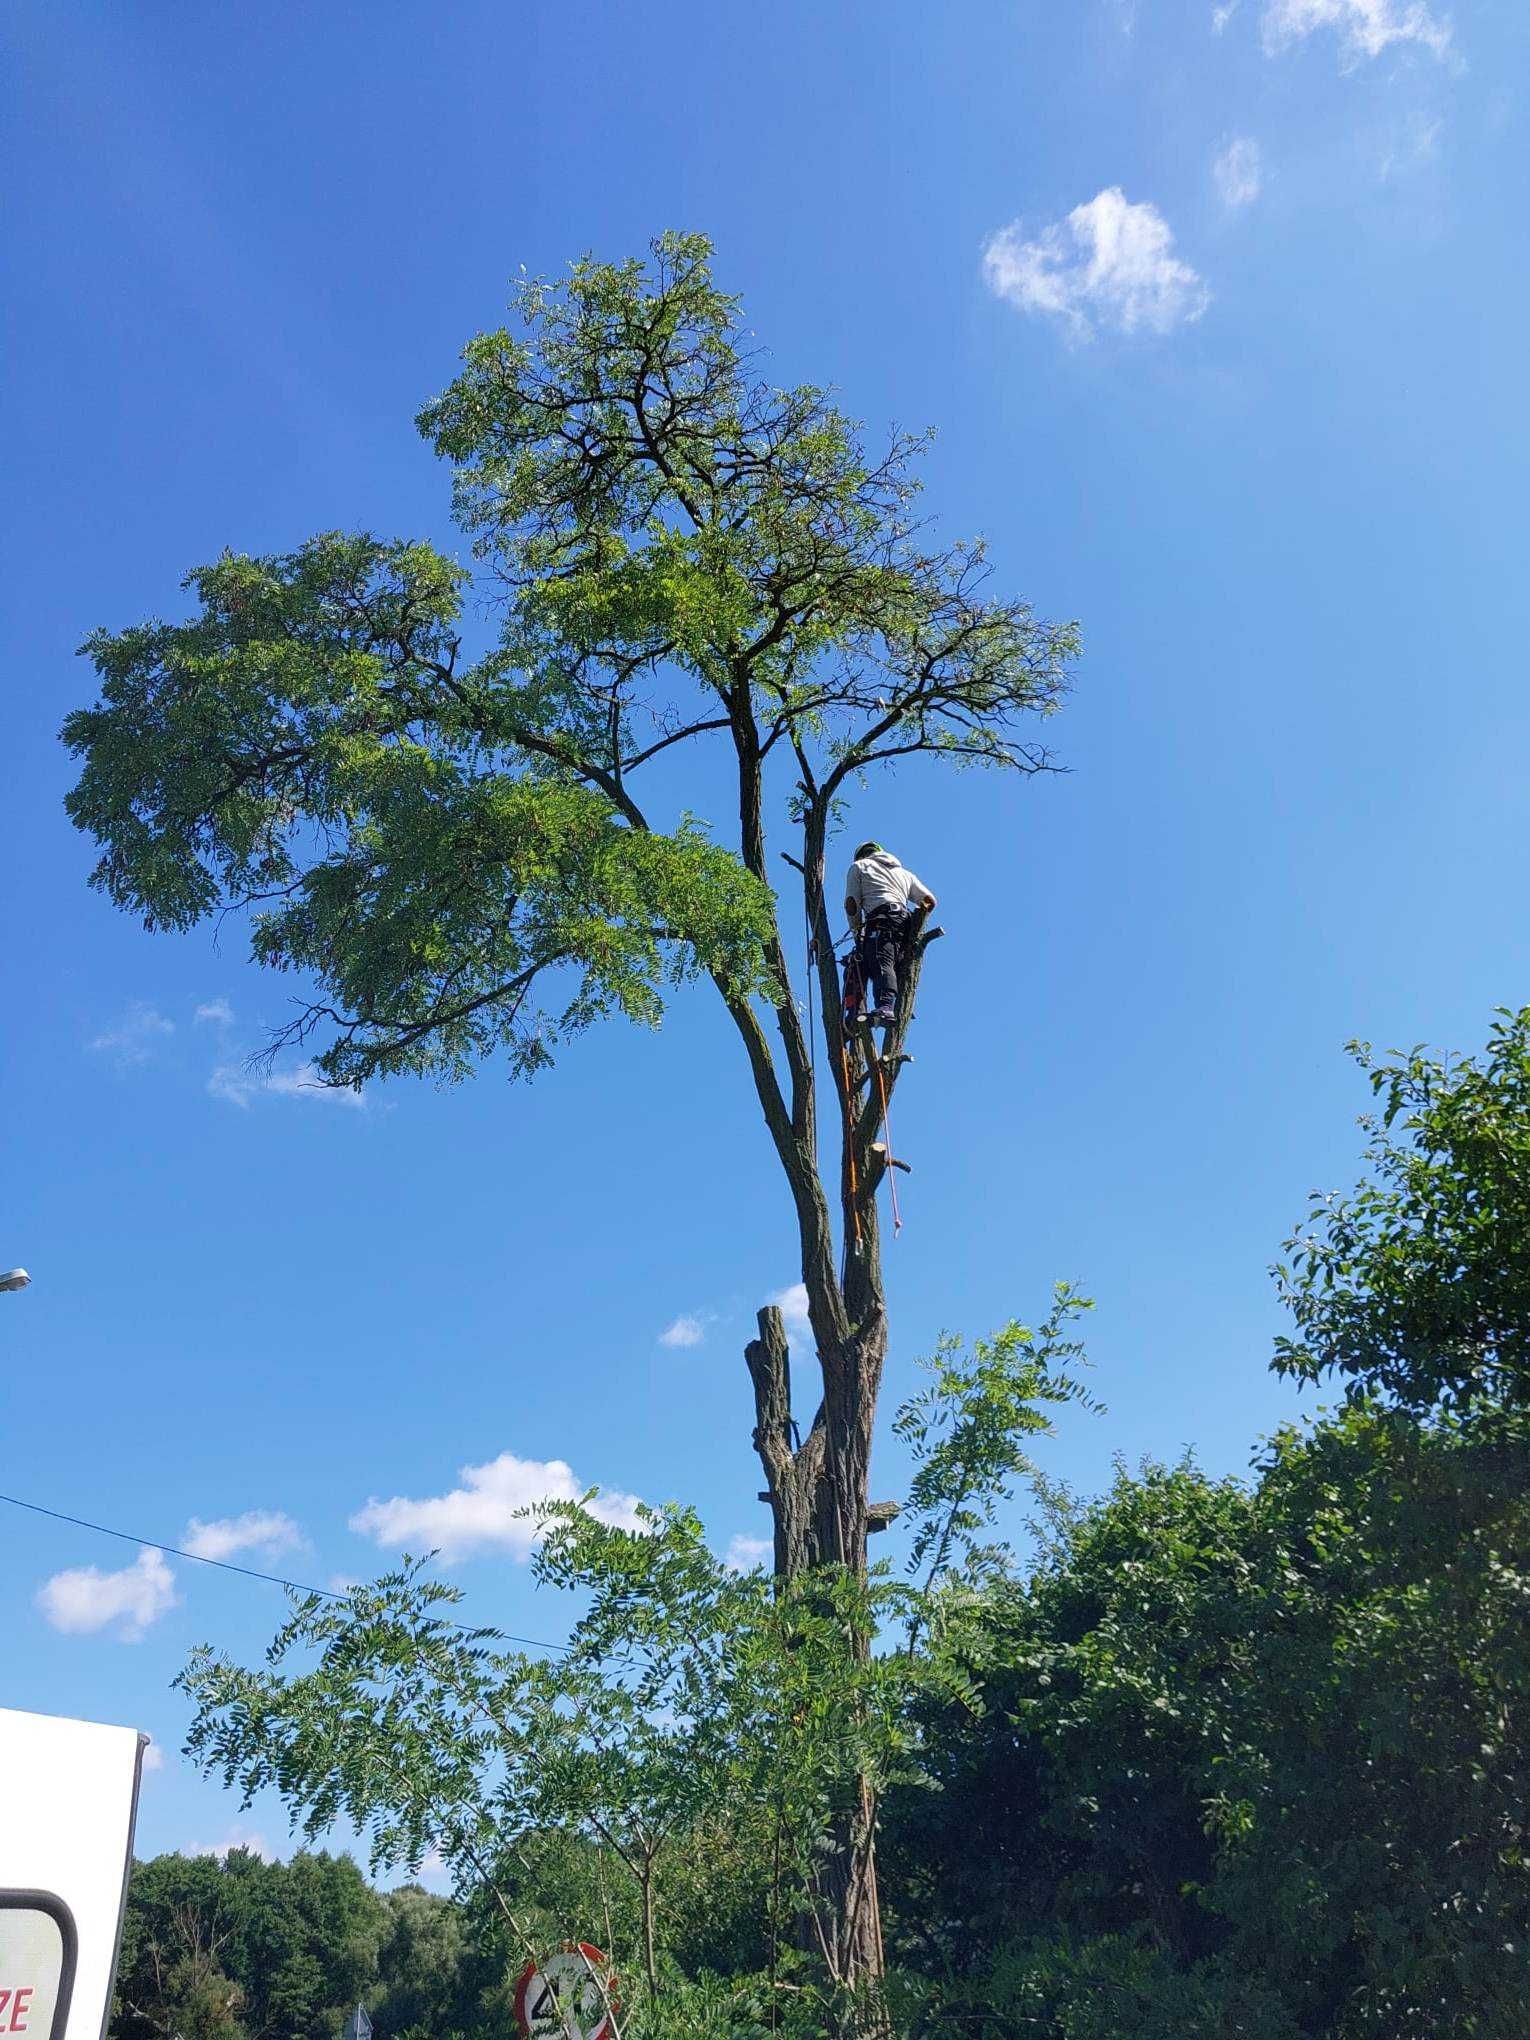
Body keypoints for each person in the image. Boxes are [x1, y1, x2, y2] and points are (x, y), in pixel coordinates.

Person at [844, 841, 936, 1028]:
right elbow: (929, 900)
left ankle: (885, 1007)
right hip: (904, 924)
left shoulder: (859, 866)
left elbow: (852, 905)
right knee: (859, 964)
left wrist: (857, 935)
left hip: (880, 920)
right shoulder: (904, 874)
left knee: (880, 960)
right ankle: (856, 1016)